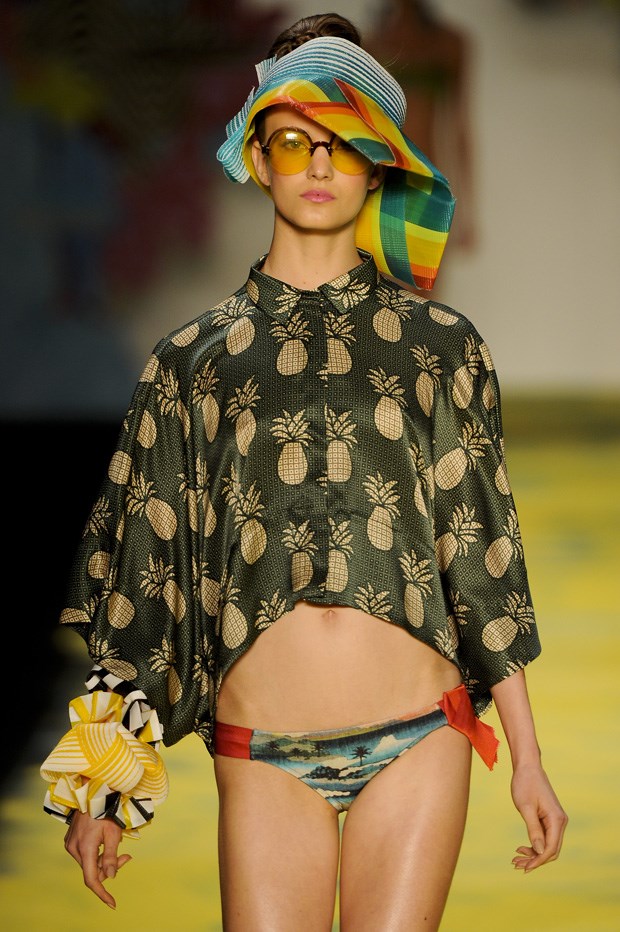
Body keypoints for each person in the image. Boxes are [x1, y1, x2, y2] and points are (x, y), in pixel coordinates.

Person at [40, 12, 567, 930]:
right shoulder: (189, 363)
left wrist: (527, 758)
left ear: (379, 166)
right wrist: (101, 785)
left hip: (422, 736)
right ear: (257, 155)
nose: (319, 166)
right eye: (294, 142)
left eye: (344, 144)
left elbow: (480, 554)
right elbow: (141, 585)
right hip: (262, 750)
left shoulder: (441, 347)